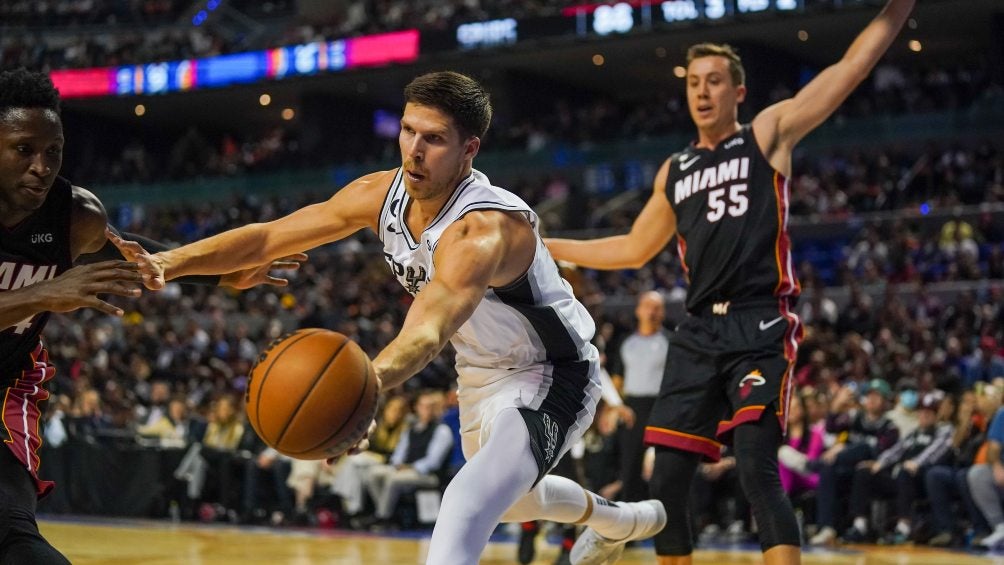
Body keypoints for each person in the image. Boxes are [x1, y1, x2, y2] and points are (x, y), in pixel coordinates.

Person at [112, 71, 666, 565]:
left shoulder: (484, 230)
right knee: (512, 499)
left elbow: (428, 328)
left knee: (467, 499)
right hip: (479, 372)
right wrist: (170, 261)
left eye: (434, 139)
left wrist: (365, 388)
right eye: (407, 131)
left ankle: (617, 522)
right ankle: (620, 521)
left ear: (469, 149)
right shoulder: (382, 194)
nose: (414, 151)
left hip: (552, 372)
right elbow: (266, 236)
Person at [544, 1, 915, 562]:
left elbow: (850, 68)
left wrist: (899, 7)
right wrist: (545, 247)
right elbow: (633, 248)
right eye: (693, 81)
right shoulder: (677, 168)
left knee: (756, 464)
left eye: (714, 81)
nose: (702, 91)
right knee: (665, 481)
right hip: (697, 331)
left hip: (760, 318)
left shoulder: (767, 134)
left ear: (738, 92)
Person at [0, 68, 301, 563]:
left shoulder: (75, 214)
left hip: (7, 382)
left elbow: (140, 258)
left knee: (10, 528)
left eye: (53, 151)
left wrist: (225, 276)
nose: (41, 167)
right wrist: (44, 293)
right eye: (23, 150)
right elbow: (46, 294)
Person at [611, 291, 670, 504]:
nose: (651, 311)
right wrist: (614, 408)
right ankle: (630, 530)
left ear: (663, 312)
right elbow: (617, 380)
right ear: (638, 310)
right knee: (630, 469)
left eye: (656, 307)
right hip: (632, 409)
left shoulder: (670, 342)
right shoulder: (626, 342)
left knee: (663, 470)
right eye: (647, 306)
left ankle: (665, 525)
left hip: (661, 408)